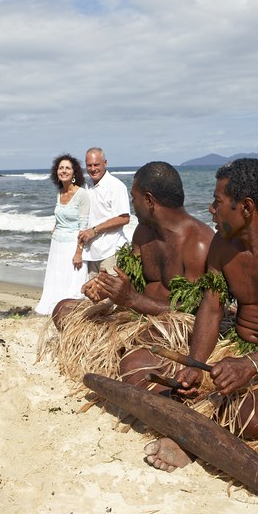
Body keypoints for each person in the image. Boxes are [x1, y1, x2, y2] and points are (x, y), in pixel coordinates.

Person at [140, 158, 258, 472]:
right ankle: (196, 429)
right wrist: (195, 364)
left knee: (255, 412)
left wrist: (253, 365)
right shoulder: (223, 243)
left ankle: (194, 444)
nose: (210, 209)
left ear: (246, 207)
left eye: (218, 202)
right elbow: (212, 307)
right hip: (237, 350)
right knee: (143, 371)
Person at [46, 162, 213, 380]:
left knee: (154, 333)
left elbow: (196, 311)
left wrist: (133, 300)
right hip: (133, 315)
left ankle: (129, 356)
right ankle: (115, 352)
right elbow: (128, 279)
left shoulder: (199, 243)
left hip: (169, 325)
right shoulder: (143, 233)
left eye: (134, 198)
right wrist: (105, 287)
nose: (133, 204)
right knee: (63, 308)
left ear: (149, 200)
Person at [35, 154, 90, 315]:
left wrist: (79, 251)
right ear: (56, 172)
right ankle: (52, 309)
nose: (63, 171)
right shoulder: (59, 192)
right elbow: (60, 215)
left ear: (74, 173)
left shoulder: (82, 195)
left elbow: (83, 226)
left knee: (70, 281)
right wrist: (56, 226)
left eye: (67, 168)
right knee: (56, 278)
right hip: (57, 243)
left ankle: (66, 311)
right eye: (61, 168)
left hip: (72, 245)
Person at [76, 147, 130, 275]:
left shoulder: (116, 186)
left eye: (96, 165)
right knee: (93, 294)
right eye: (89, 165)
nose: (93, 169)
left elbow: (124, 218)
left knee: (111, 293)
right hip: (91, 253)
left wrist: (94, 230)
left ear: (105, 163)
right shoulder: (87, 185)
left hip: (111, 251)